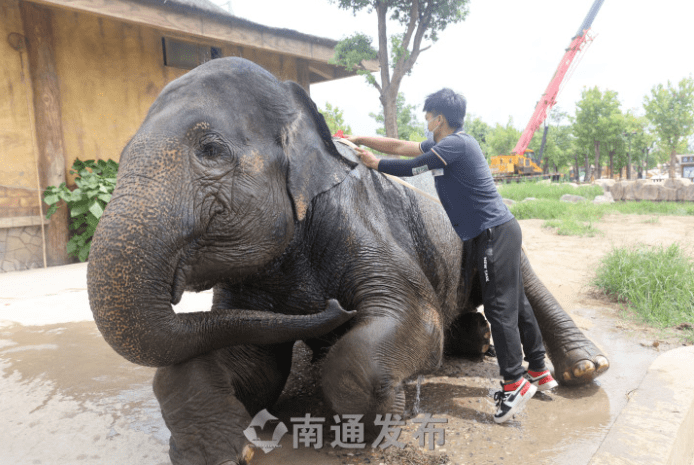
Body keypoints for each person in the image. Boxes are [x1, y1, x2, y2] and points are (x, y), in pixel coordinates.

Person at [347, 88, 558, 424]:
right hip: (496, 231)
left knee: (499, 308)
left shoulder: (455, 146)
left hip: (492, 234)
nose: (426, 120)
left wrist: (374, 164)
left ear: (439, 118)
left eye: (428, 115)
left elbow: (414, 165)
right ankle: (538, 368)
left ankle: (514, 381)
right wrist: (363, 139)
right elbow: (402, 146)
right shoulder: (450, 144)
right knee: (517, 302)